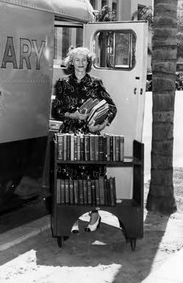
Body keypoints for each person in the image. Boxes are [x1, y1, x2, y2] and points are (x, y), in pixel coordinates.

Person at [52, 46, 117, 233]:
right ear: (71, 62)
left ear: (88, 63)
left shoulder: (96, 83)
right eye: (77, 60)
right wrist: (74, 116)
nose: (80, 63)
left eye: (84, 60)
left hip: (91, 135)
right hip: (70, 134)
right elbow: (56, 110)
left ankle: (94, 214)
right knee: (68, 175)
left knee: (93, 176)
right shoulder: (62, 83)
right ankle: (72, 216)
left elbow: (112, 107)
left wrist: (101, 125)